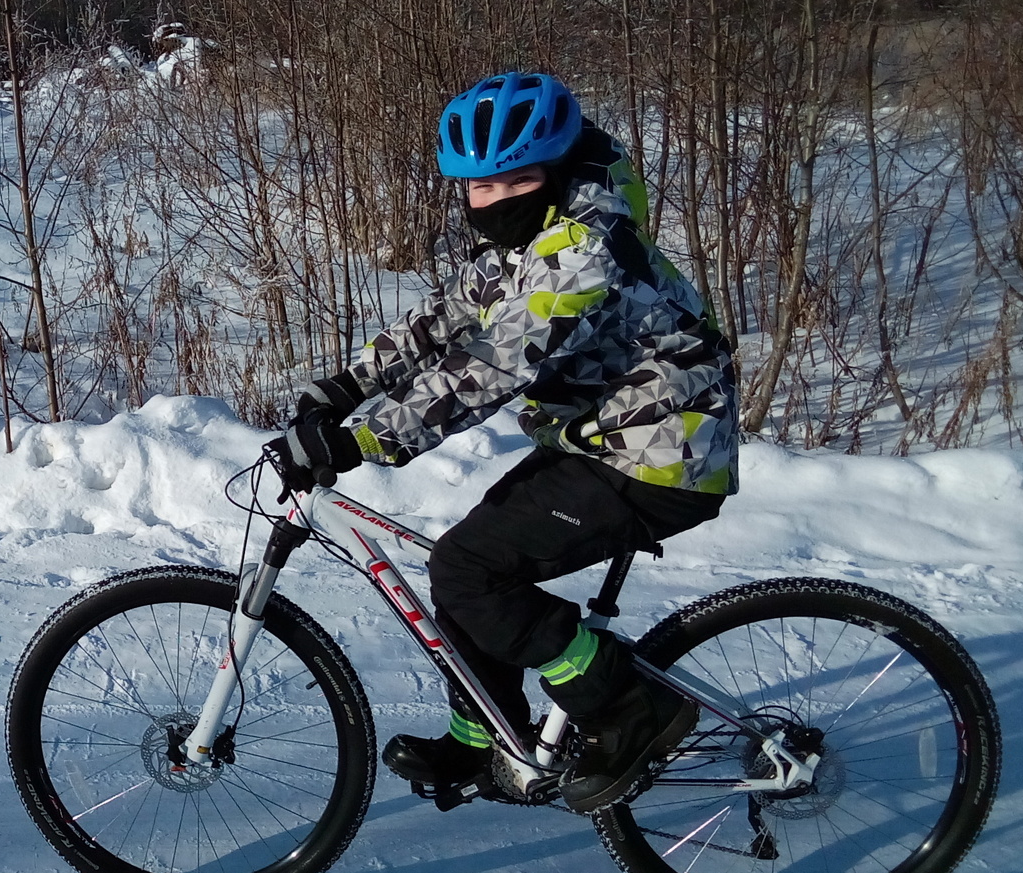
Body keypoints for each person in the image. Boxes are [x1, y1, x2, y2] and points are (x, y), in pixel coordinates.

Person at [281, 72, 737, 814]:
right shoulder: (524, 241)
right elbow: (443, 319)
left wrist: (363, 438)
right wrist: (342, 387)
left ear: (555, 172)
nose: (496, 200)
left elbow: (496, 364)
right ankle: (482, 737)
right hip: (604, 443)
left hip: (664, 457)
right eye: (480, 187)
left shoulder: (584, 250)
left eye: (518, 180)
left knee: (470, 571)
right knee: (462, 567)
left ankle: (629, 710)